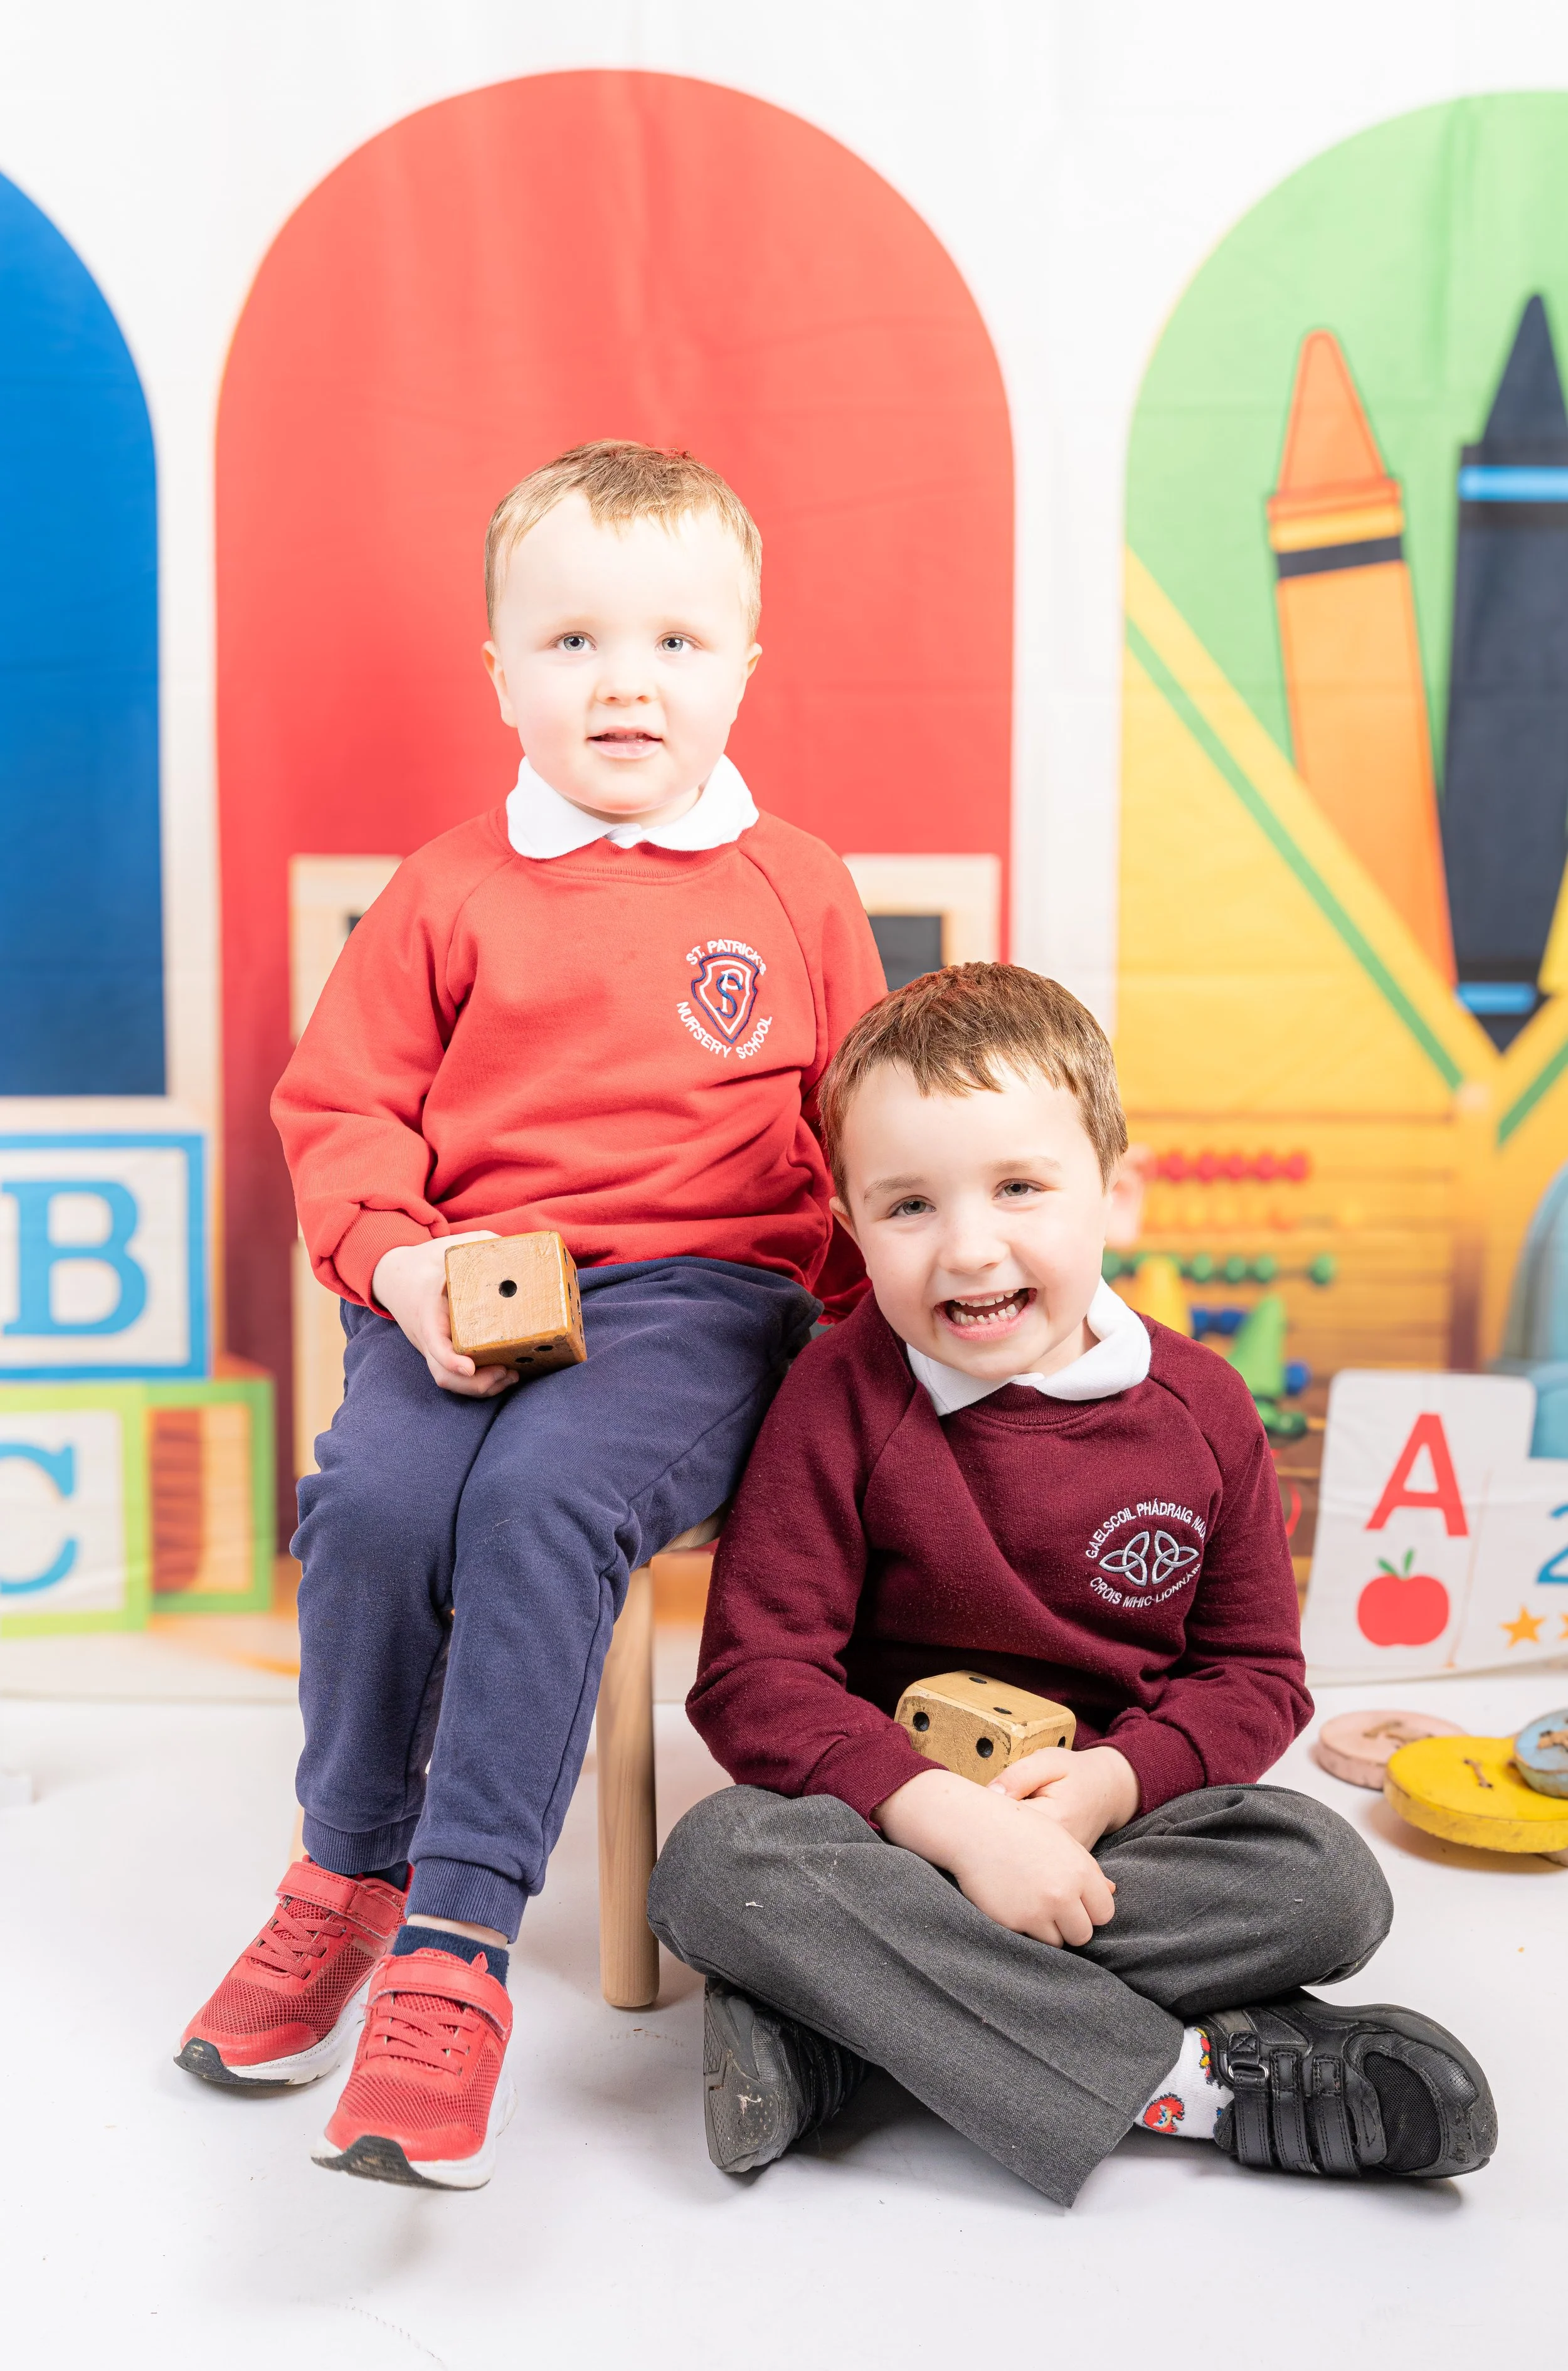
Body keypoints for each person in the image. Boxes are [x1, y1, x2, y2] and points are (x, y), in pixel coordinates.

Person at [176, 441, 886, 2191]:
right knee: (373, 1501)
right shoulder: (448, 886)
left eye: (671, 641)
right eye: (570, 641)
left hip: (702, 1301)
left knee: (539, 1504)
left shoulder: (791, 884)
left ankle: (458, 1947)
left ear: (742, 666)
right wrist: (399, 1265)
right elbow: (340, 1115)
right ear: (499, 672)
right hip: (462, 1283)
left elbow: (876, 1121)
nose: (623, 678)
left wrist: (892, 1360)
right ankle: (345, 1876)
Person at [650, 963, 1496, 2200]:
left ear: (1119, 1193)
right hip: (893, 1827)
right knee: (718, 1867)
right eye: (907, 1208)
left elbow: (1252, 1679)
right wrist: (958, 1826)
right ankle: (1194, 2080)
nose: (969, 1247)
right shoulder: (835, 1396)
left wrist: (1101, 1789)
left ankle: (844, 2025)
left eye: (1017, 1188)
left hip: (1112, 1836)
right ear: (851, 1222)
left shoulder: (1202, 1408)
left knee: (1326, 1883)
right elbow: (754, 1682)